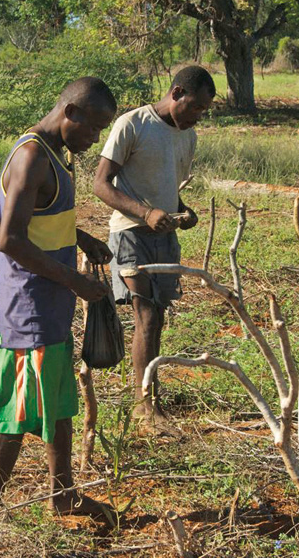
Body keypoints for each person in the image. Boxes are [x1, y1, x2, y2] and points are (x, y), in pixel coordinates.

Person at [0, 77, 116, 518]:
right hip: (29, 309)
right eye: (93, 127)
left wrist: (79, 237)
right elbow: (11, 239)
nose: (96, 137)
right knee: (16, 412)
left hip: (50, 305)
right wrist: (73, 280)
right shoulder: (31, 158)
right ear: (71, 113)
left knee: (58, 401)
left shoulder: (54, 154)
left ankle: (62, 495)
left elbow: (40, 220)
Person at [93, 65, 216, 431]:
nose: (197, 117)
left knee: (157, 317)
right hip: (130, 233)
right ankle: (144, 405)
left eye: (204, 112)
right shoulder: (133, 124)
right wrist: (145, 213)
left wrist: (181, 211)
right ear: (176, 93)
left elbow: (167, 187)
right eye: (194, 107)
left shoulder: (186, 137)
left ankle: (149, 393)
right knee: (146, 315)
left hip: (164, 236)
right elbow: (100, 184)